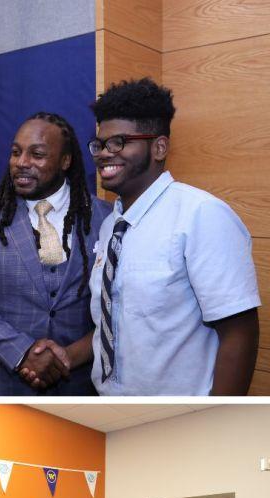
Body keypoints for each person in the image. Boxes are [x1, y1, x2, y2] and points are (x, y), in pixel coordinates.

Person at [37, 77, 260, 395]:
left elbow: (240, 331)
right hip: (111, 411)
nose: (103, 154)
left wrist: (218, 421)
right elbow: (117, 324)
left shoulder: (200, 215)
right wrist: (67, 356)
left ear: (159, 147)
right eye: (99, 144)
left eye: (119, 142)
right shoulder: (111, 225)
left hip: (180, 423)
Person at [0, 112, 110, 395]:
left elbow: (117, 308)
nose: (21, 163)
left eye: (37, 154)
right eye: (15, 152)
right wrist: (23, 353)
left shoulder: (104, 218)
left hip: (79, 387)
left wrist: (66, 357)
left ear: (65, 161)